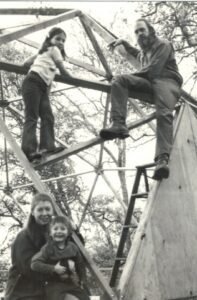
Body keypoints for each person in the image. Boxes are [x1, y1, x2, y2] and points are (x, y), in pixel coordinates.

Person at [100, 18, 183, 180]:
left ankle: (162, 159)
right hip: (151, 83)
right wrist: (124, 42)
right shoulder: (144, 53)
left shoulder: (163, 45)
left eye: (142, 30)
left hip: (167, 82)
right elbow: (137, 54)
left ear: (150, 30)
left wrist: (131, 74)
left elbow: (153, 70)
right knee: (119, 80)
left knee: (164, 113)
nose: (139, 34)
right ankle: (118, 124)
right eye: (136, 32)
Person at [21, 27, 72, 162]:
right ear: (50, 39)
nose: (61, 42)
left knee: (48, 116)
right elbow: (63, 69)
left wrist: (38, 64)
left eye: (63, 41)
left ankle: (47, 147)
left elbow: (26, 63)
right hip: (33, 82)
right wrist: (74, 79)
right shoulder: (54, 50)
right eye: (58, 39)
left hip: (40, 86)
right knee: (32, 116)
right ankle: (29, 150)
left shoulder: (42, 53)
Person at [4, 193, 55, 300]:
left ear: (53, 210)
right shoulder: (23, 237)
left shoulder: (53, 232)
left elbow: (72, 250)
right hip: (23, 291)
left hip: (43, 288)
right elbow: (29, 269)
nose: (45, 213)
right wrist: (56, 271)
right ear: (32, 212)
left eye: (47, 209)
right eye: (40, 210)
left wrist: (75, 231)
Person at [31, 215, 90, 300]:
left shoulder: (72, 247)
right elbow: (34, 264)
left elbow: (80, 264)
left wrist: (82, 281)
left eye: (62, 229)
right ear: (50, 233)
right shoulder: (48, 248)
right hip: (53, 283)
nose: (59, 231)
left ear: (68, 232)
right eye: (55, 229)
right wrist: (53, 268)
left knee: (85, 298)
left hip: (70, 283)